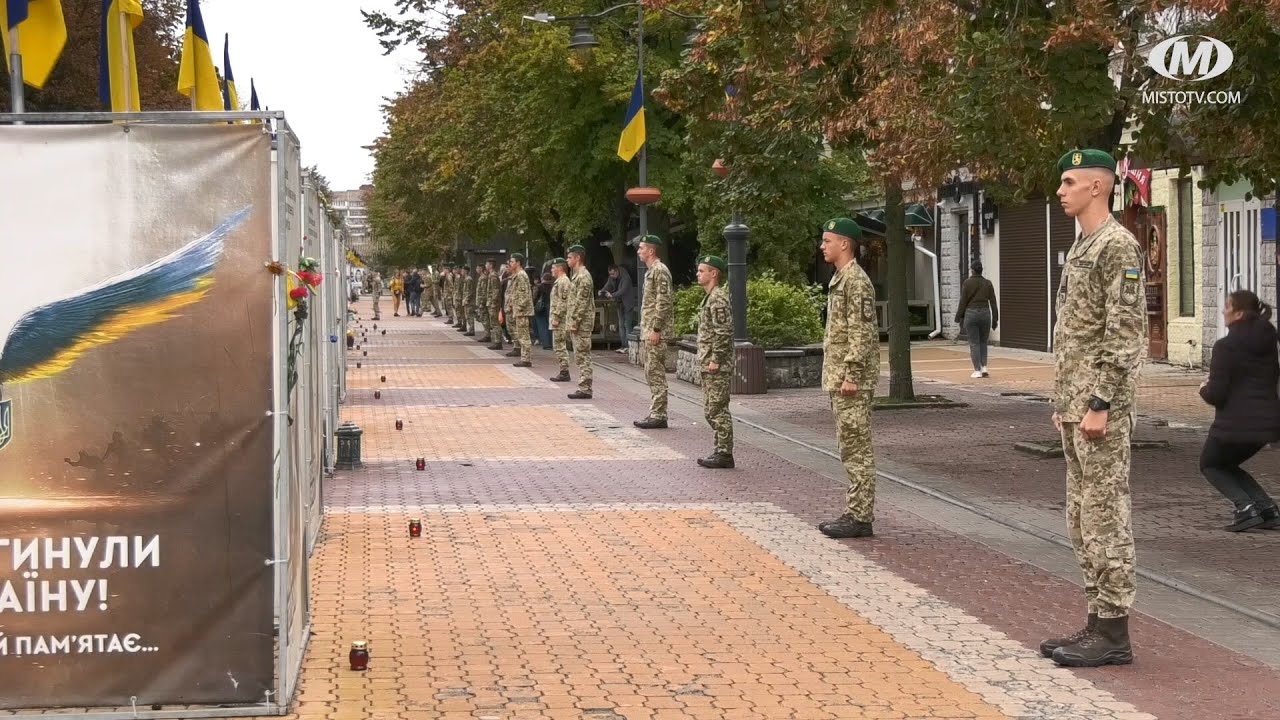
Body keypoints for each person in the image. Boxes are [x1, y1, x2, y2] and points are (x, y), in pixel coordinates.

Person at [1041, 148, 1147, 669]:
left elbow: (1124, 333)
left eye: (1069, 181)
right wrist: (1065, 401)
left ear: (1098, 187)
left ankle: (1114, 633)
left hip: (1100, 407)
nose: (1061, 191)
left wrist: (1101, 401)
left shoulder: (1118, 246)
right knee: (1081, 517)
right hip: (1076, 404)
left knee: (1105, 515)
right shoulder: (1083, 245)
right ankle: (1096, 620)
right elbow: (1076, 334)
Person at [816, 218, 880, 540]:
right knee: (849, 446)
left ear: (844, 244)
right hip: (841, 378)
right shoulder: (841, 279)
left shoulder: (856, 281)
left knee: (857, 448)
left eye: (827, 240)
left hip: (850, 380)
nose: (822, 246)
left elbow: (862, 332)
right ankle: (856, 510)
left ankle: (860, 516)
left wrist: (852, 374)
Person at [1199, 289, 1280, 532]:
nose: (1223, 310)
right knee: (1228, 464)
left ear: (1239, 313)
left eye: (1227, 306)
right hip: (1268, 423)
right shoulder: (1268, 342)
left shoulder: (1225, 346)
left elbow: (1217, 393)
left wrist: (1203, 388)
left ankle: (1245, 508)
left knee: (1210, 463)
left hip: (1235, 424)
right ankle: (1266, 509)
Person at [695, 255, 735, 468]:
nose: (698, 274)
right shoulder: (710, 298)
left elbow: (723, 332)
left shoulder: (718, 298)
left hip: (717, 364)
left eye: (702, 271)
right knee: (711, 409)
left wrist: (716, 359)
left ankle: (724, 453)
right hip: (708, 361)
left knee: (717, 409)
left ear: (714, 273)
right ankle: (720, 450)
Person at [633, 236, 672, 429]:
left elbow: (663, 302)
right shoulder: (651, 272)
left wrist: (656, 329)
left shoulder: (660, 271)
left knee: (656, 373)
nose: (638, 251)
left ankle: (659, 415)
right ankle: (656, 412)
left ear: (651, 251)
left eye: (641, 248)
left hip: (656, 332)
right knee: (651, 371)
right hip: (649, 331)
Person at [954, 260, 998, 378]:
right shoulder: (988, 283)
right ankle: (984, 367)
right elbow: (993, 302)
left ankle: (977, 370)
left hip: (971, 313)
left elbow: (963, 301)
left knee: (974, 343)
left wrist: (958, 317)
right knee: (983, 342)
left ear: (972, 270)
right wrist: (995, 319)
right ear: (981, 270)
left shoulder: (967, 283)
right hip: (985, 313)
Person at [566, 245, 595, 399]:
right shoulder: (577, 276)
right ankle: (583, 386)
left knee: (583, 355)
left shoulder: (583, 276)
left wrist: (575, 321)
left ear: (577, 258)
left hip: (582, 324)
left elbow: (581, 302)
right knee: (579, 355)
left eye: (570, 257)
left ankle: (585, 388)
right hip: (578, 323)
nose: (567, 260)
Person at [504, 254, 534, 367]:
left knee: (523, 335)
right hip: (518, 311)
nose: (510, 264)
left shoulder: (521, 275)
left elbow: (524, 295)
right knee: (521, 335)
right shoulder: (517, 275)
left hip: (522, 311)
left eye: (512, 262)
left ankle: (526, 359)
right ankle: (524, 357)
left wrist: (519, 308)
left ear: (518, 262)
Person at [601, 264, 636, 352]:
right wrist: (602, 291)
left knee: (627, 325)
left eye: (613, 274)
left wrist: (612, 295)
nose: (611, 276)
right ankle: (623, 345)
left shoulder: (625, 278)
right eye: (610, 274)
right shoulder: (612, 277)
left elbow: (623, 290)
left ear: (617, 271)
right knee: (621, 325)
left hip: (627, 303)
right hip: (619, 303)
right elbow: (608, 285)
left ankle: (628, 346)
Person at [549, 258, 572, 382]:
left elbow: (563, 301)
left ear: (560, 268)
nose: (551, 270)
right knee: (558, 345)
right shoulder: (559, 281)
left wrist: (557, 317)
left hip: (561, 320)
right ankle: (563, 370)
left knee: (560, 345)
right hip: (558, 318)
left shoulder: (563, 282)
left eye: (553, 268)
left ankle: (564, 371)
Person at [533, 271, 554, 350]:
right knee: (550, 325)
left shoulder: (539, 286)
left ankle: (546, 343)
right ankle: (551, 342)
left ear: (542, 278)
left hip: (540, 308)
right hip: (550, 307)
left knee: (542, 325)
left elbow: (535, 297)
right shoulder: (553, 286)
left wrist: (534, 304)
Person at [487, 262, 504, 350]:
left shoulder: (493, 276)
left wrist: (493, 302)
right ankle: (497, 341)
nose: (486, 266)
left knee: (495, 322)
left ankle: (498, 342)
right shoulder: (491, 275)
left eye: (487, 264)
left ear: (490, 265)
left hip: (494, 303)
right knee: (493, 322)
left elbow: (495, 290)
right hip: (491, 302)